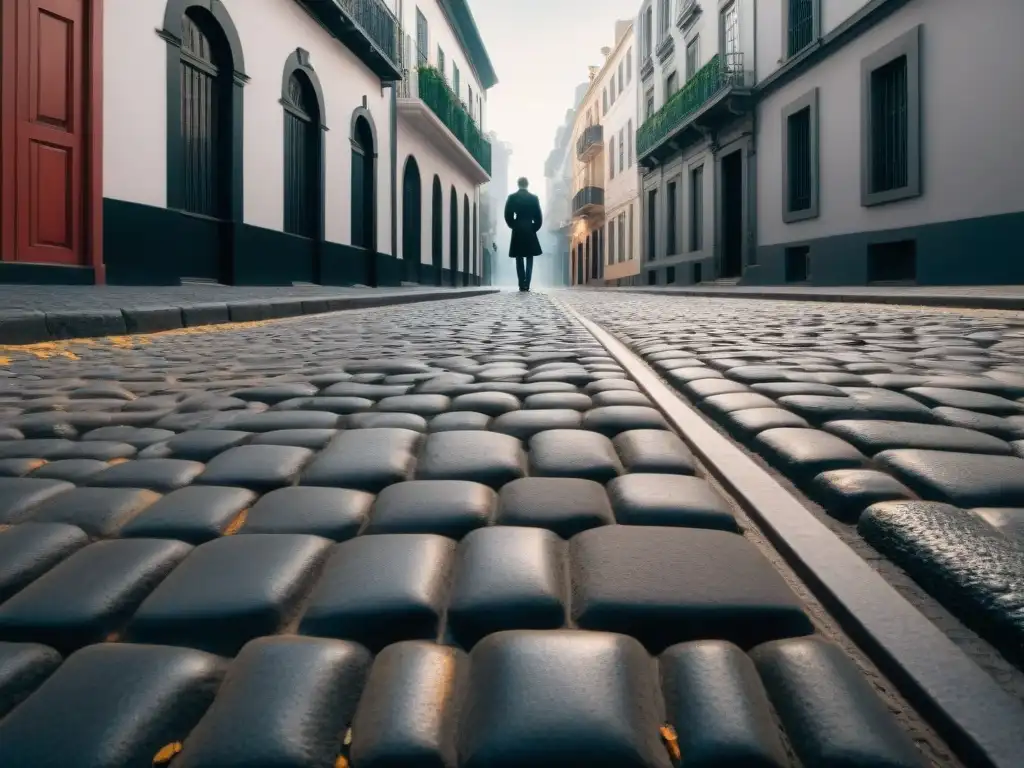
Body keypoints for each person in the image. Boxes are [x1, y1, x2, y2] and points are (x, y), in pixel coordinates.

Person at [504, 177, 543, 292]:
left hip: (518, 228)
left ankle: (521, 284)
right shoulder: (534, 198)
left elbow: (507, 215)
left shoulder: (512, 197)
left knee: (519, 257)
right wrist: (533, 228)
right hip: (529, 228)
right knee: (530, 257)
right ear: (527, 184)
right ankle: (527, 283)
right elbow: (538, 217)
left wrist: (513, 225)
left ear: (518, 184)